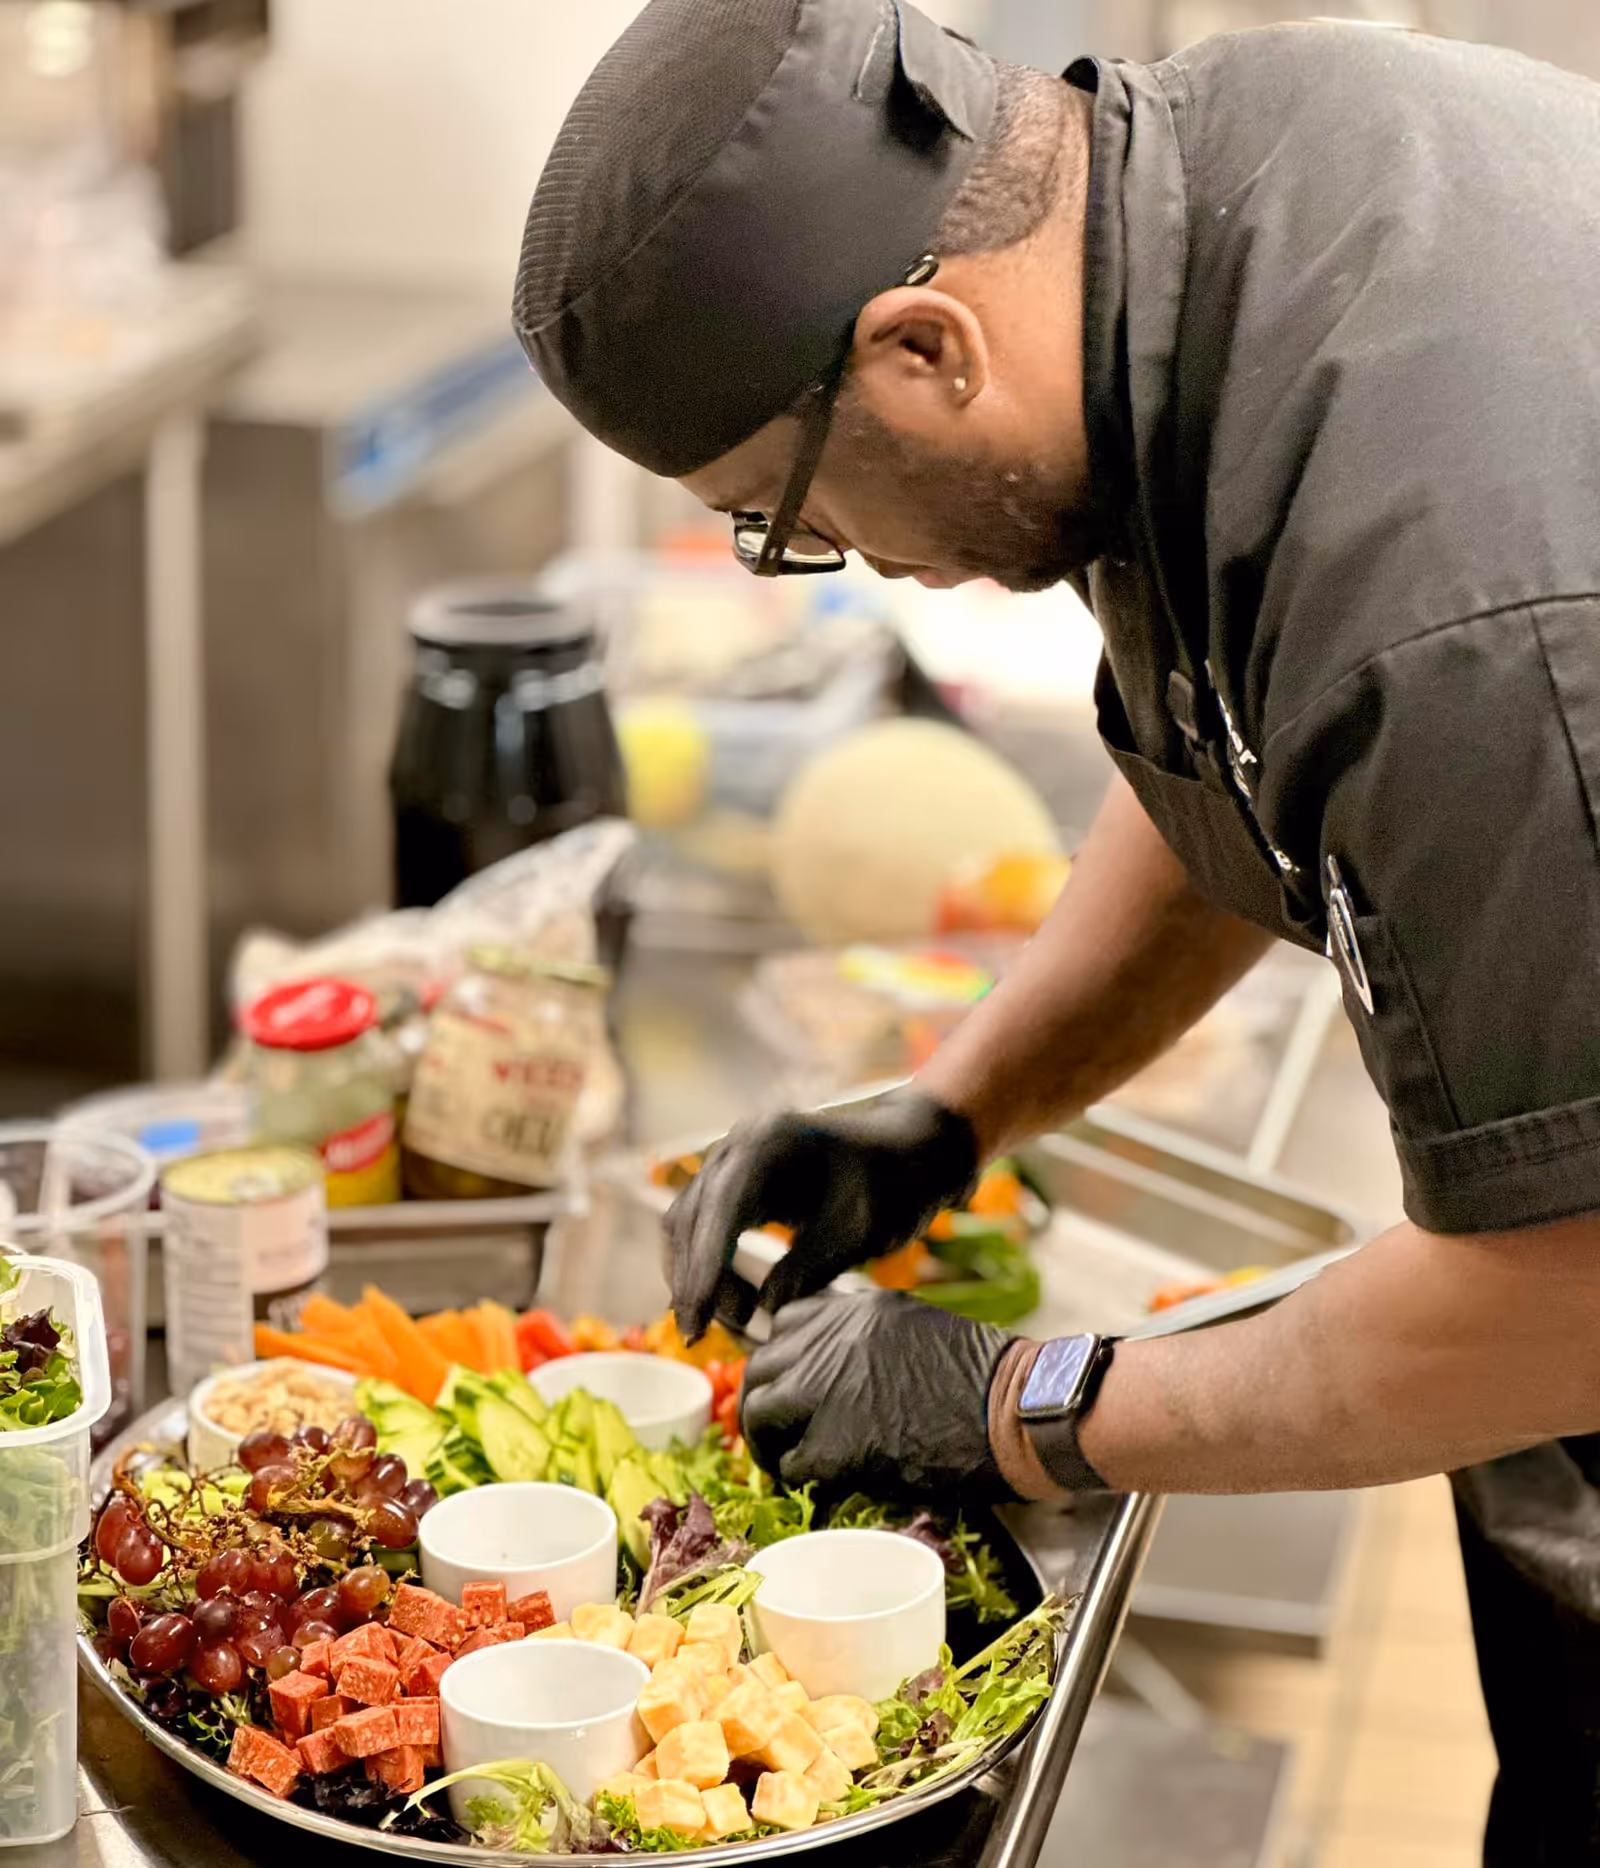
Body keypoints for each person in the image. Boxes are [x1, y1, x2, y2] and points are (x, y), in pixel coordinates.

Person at [514, 3, 1600, 1858]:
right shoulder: (1186, 208)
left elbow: (1563, 1297)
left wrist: (1026, 1403)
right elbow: (1227, 751)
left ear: (923, 347)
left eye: (784, 518)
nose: (835, 559)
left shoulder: (1472, 623)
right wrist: (954, 1108)